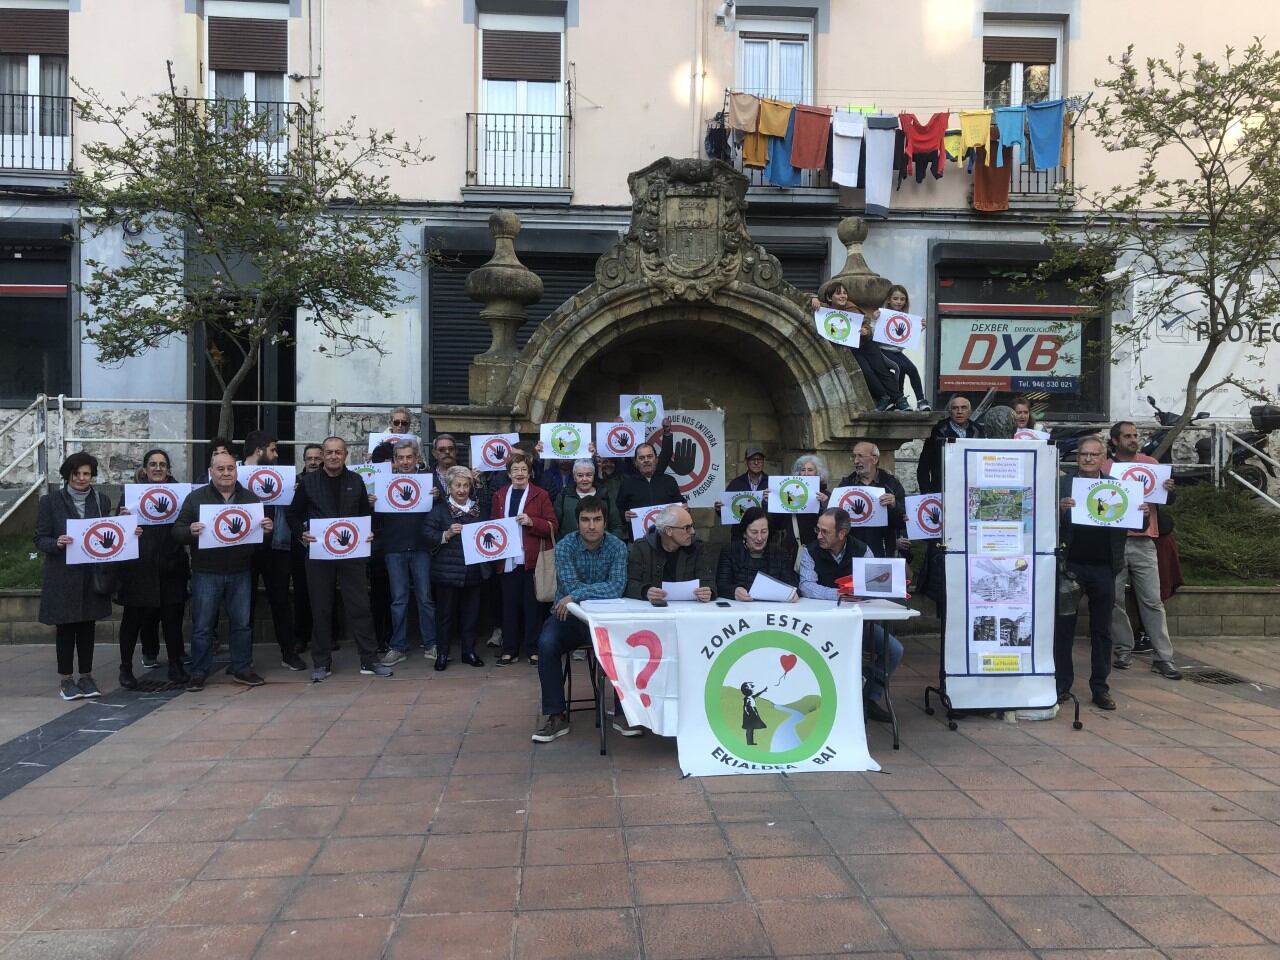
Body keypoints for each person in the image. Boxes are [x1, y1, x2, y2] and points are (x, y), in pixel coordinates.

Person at [288, 436, 391, 681]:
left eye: (338, 452)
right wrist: (301, 533)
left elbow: (366, 515)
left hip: (351, 555)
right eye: (329, 452)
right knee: (321, 608)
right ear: (323, 455)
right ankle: (321, 663)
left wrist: (369, 533)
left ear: (346, 455)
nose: (333, 456)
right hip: (319, 554)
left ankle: (369, 660)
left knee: (360, 607)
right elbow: (293, 514)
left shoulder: (356, 481)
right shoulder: (308, 482)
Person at [531, 495, 630, 743]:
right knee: (546, 644)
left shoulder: (618, 546)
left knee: (629, 641)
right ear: (577, 522)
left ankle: (624, 712)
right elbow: (570, 583)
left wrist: (575, 595)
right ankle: (556, 715)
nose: (591, 525)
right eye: (585, 520)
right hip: (570, 619)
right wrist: (576, 594)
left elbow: (616, 587)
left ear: (605, 522)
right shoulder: (565, 546)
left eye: (597, 519)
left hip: (607, 619)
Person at [173, 450, 271, 690]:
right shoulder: (196, 498)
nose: (226, 473)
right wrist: (190, 531)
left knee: (241, 624)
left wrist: (267, 529)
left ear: (236, 470)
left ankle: (242, 668)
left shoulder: (250, 499)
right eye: (221, 468)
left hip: (240, 570)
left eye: (230, 468)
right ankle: (199, 671)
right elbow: (177, 531)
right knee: (203, 626)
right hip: (206, 571)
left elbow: (260, 539)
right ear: (211, 472)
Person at [799, 507, 903, 723]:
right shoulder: (810, 551)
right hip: (821, 626)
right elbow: (806, 586)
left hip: (857, 623)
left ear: (842, 533)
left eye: (825, 532)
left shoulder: (862, 550)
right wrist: (840, 594)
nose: (819, 536)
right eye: (818, 530)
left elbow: (874, 584)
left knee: (894, 650)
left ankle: (869, 699)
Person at [1104, 421, 1182, 680]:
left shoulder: (1150, 463)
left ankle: (1163, 658)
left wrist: (1170, 490)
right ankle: (1123, 649)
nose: (1133, 439)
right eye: (1127, 436)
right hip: (1114, 542)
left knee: (1152, 600)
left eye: (1135, 435)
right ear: (1114, 440)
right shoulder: (1105, 466)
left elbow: (1167, 499)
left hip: (1144, 541)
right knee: (1114, 600)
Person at [35, 452, 116, 700]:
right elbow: (40, 538)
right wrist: (56, 543)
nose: (82, 478)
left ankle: (87, 675)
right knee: (66, 628)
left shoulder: (101, 500)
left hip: (90, 575)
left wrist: (122, 527)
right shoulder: (50, 502)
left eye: (87, 474)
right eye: (77, 473)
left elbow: (106, 534)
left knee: (88, 627)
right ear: (68, 475)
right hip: (63, 575)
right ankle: (66, 679)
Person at [1056, 436, 1128, 710]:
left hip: (1104, 567)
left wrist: (1142, 512)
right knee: (1064, 628)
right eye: (1083, 454)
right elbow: (1042, 517)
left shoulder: (1118, 487)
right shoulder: (1063, 484)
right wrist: (1059, 510)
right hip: (1069, 566)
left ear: (1103, 457)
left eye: (1093, 454)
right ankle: (1061, 684)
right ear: (1077, 458)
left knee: (1102, 630)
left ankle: (1100, 688)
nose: (1087, 459)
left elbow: (1133, 520)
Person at [116, 448, 191, 688]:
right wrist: (124, 519)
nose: (157, 468)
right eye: (153, 464)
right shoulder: (132, 495)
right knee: (132, 620)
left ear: (168, 468)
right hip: (138, 568)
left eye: (162, 464)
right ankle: (125, 668)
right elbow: (119, 529)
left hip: (171, 566)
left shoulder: (180, 494)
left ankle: (176, 664)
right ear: (145, 468)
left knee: (172, 620)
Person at [241, 429, 306, 672]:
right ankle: (242, 658)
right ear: (259, 451)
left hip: (276, 547)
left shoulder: (282, 476)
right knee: (242, 605)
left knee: (280, 602)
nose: (276, 455)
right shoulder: (232, 473)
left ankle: (288, 653)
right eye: (272, 449)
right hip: (245, 549)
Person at [491, 451, 558, 666]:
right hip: (507, 559)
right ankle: (509, 649)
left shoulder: (541, 495)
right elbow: (493, 525)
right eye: (515, 470)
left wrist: (532, 522)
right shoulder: (500, 495)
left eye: (523, 469)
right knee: (508, 606)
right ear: (508, 474)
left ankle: (533, 649)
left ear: (530, 473)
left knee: (532, 607)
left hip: (532, 559)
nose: (519, 473)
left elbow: (552, 526)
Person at [376, 440, 439, 668]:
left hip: (422, 547)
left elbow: (442, 512)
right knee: (399, 599)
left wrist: (436, 497)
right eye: (400, 458)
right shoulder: (382, 484)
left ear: (417, 459)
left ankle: (431, 643)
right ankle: (398, 647)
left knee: (425, 598)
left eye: (409, 457)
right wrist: (371, 502)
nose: (404, 462)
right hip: (394, 548)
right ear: (394, 460)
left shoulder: (429, 482)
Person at [424, 465, 489, 670]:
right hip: (447, 572)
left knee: (471, 614)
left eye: (465, 485)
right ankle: (442, 654)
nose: (461, 490)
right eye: (457, 486)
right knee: (445, 615)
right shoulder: (439, 511)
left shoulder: (480, 510)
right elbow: (426, 534)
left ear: (471, 487)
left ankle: (468, 651)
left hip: (473, 571)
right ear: (449, 488)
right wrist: (447, 534)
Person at [808, 282, 909, 412]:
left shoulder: (851, 308)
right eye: (838, 293)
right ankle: (884, 398)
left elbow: (866, 325)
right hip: (854, 349)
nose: (843, 296)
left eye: (845, 293)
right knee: (866, 373)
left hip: (866, 345)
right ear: (829, 298)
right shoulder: (826, 309)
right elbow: (805, 298)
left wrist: (865, 331)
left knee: (881, 370)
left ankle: (900, 400)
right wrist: (813, 298)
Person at [624, 504, 714, 602]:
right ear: (669, 531)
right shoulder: (642, 547)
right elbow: (629, 583)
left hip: (689, 609)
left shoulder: (697, 547)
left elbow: (709, 581)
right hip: (652, 610)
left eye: (692, 526)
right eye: (687, 528)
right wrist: (645, 591)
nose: (692, 532)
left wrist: (708, 592)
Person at [837, 441, 909, 562]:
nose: (855, 461)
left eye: (860, 456)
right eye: (854, 456)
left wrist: (894, 505)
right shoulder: (845, 485)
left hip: (883, 550)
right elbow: (837, 519)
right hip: (852, 551)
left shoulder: (891, 484)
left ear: (874, 459)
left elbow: (903, 521)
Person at [716, 507, 799, 601]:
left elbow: (793, 585)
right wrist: (733, 591)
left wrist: (792, 593)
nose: (759, 538)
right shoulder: (730, 551)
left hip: (772, 610)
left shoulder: (780, 554)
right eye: (754, 532)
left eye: (764, 532)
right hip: (740, 609)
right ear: (744, 533)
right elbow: (720, 585)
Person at [616, 419, 681, 536]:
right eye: (641, 458)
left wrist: (685, 509)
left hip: (667, 539)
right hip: (638, 542)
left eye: (650, 456)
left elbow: (681, 505)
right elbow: (619, 509)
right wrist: (624, 516)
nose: (646, 460)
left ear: (656, 460)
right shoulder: (627, 484)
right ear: (635, 462)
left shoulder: (669, 481)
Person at [917, 394, 986, 493]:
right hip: (942, 488)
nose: (959, 412)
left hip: (971, 487)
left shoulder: (978, 430)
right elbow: (924, 464)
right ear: (950, 412)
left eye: (964, 408)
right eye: (955, 408)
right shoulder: (938, 430)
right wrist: (926, 492)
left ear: (970, 412)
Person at [880, 285, 930, 410]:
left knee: (912, 369)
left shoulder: (906, 318)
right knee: (900, 367)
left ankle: (920, 400)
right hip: (883, 350)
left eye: (902, 299)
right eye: (896, 298)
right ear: (888, 300)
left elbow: (907, 338)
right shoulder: (881, 313)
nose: (899, 302)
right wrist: (876, 318)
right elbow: (873, 330)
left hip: (897, 351)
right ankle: (899, 399)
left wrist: (920, 328)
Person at [556, 458, 625, 540]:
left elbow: (616, 526)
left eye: (588, 475)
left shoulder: (604, 495)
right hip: (571, 549)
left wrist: (609, 545)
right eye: (580, 475)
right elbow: (555, 527)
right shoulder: (564, 496)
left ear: (593, 476)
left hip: (602, 549)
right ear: (574, 477)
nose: (584, 479)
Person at [787, 453, 832, 549]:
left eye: (810, 470)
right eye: (803, 470)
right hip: (795, 547)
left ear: (818, 473)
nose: (806, 473)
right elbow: (778, 522)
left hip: (820, 547)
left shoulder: (827, 496)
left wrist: (826, 504)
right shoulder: (790, 494)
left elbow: (833, 523)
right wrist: (767, 502)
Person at [429, 434, 458, 501]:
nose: (447, 452)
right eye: (442, 450)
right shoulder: (426, 478)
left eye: (451, 449)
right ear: (434, 453)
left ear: (456, 451)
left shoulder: (468, 474)